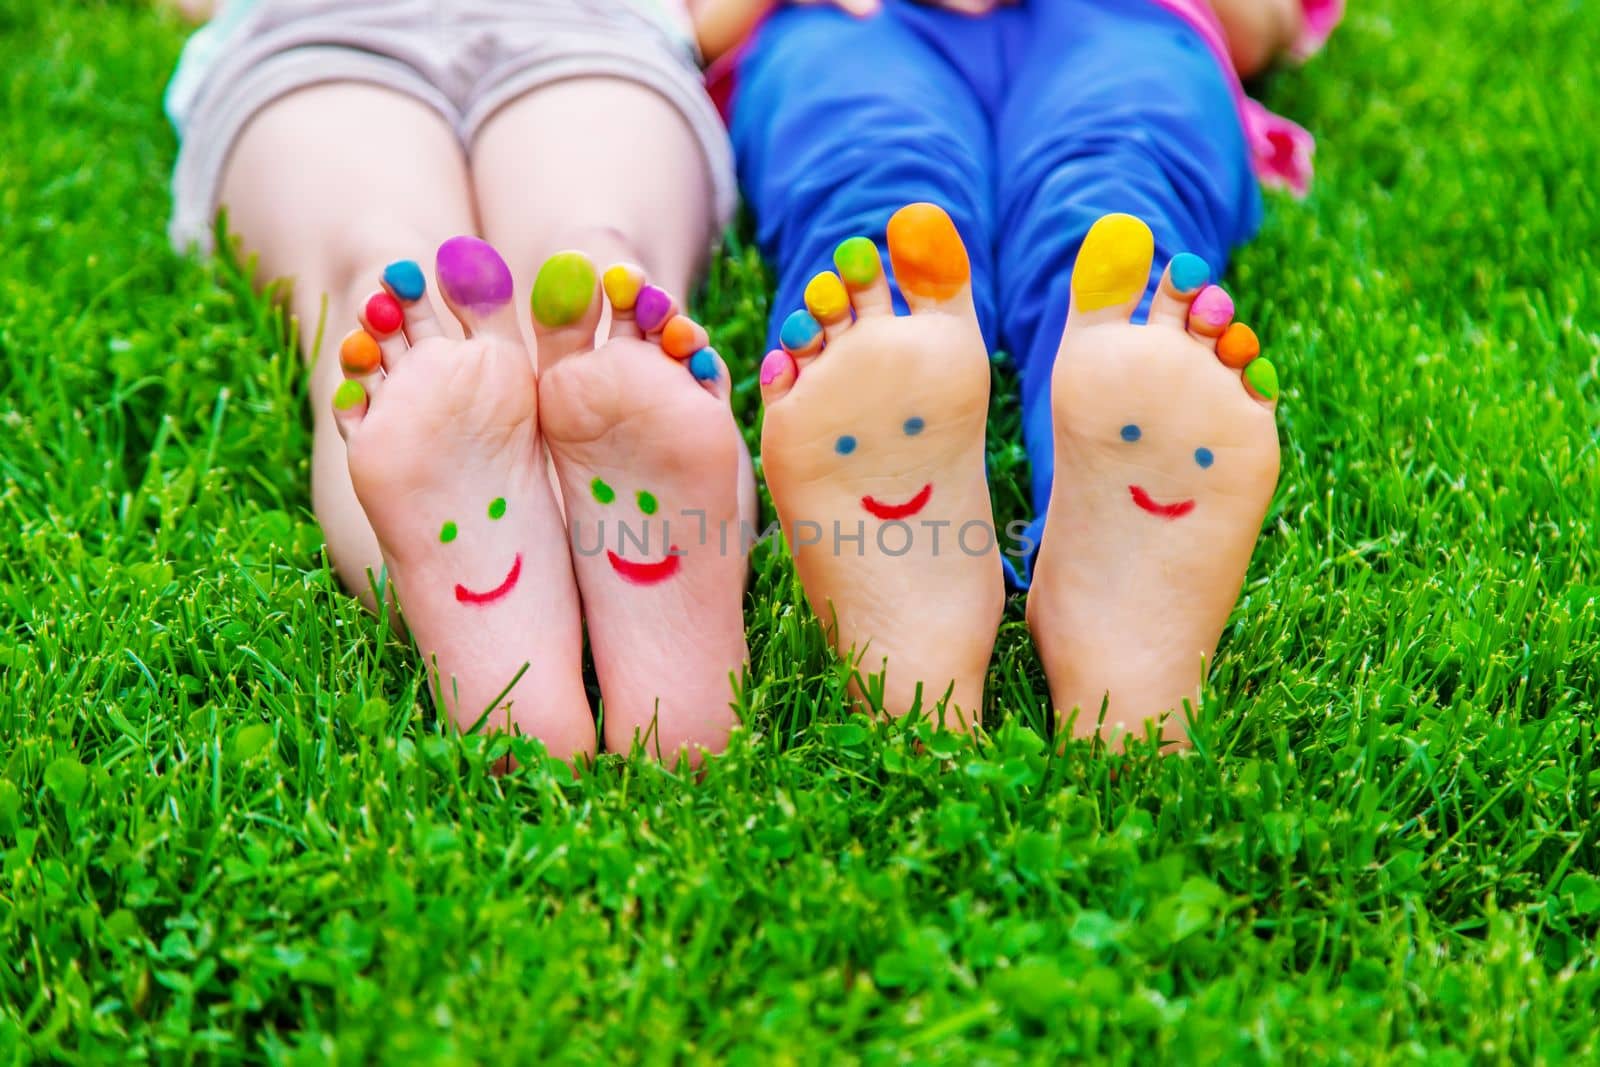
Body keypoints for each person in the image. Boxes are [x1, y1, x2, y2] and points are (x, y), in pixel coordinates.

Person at [709, 0, 1337, 746]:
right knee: (882, 175)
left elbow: (1265, 25)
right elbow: (701, 20)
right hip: (850, 22)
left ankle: (1111, 506)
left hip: (1124, 17)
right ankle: (899, 362)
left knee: (1111, 198)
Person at [165, 0, 757, 765]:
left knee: (380, 289)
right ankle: (633, 571)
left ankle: (490, 597)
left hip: (320, 40)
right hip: (589, 33)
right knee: (603, 265)